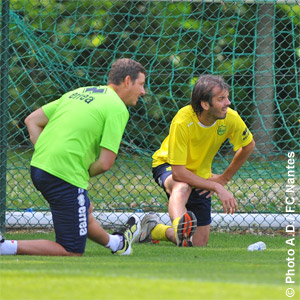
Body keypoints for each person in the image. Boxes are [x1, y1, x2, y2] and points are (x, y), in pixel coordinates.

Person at [0, 58, 146, 256]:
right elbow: (105, 163)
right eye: (141, 84)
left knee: (83, 210)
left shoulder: (79, 92)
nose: (143, 92)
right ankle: (4, 246)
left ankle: (118, 244)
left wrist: (47, 153)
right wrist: (79, 173)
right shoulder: (117, 107)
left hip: (38, 167)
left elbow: (32, 120)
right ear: (127, 81)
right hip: (63, 174)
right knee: (71, 249)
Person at [137, 74, 255, 247]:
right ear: (205, 104)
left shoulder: (231, 118)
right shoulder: (182, 121)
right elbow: (178, 173)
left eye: (227, 97)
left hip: (200, 174)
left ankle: (154, 229)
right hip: (168, 166)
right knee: (182, 187)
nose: (228, 103)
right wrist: (216, 186)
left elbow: (248, 145)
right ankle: (179, 226)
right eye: (221, 99)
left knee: (196, 244)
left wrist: (224, 178)